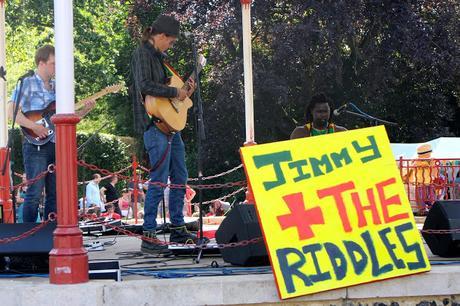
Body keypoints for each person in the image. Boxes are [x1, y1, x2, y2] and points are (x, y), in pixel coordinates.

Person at [130, 14, 197, 253]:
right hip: (154, 126)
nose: (171, 45)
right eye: (170, 41)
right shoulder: (142, 55)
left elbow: (173, 92)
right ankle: (149, 235)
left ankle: (177, 228)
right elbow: (145, 86)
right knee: (158, 179)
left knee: (180, 176)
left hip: (169, 126)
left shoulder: (160, 58)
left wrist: (184, 91)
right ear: (160, 36)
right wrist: (175, 93)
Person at [7, 45, 94, 222]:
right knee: (33, 193)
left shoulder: (58, 87)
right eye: (54, 63)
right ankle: (30, 237)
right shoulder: (27, 82)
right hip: (34, 145)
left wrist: (85, 111)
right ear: (41, 63)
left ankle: (50, 235)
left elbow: (65, 118)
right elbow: (11, 112)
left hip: (56, 145)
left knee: (54, 194)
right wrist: (35, 127)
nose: (57, 68)